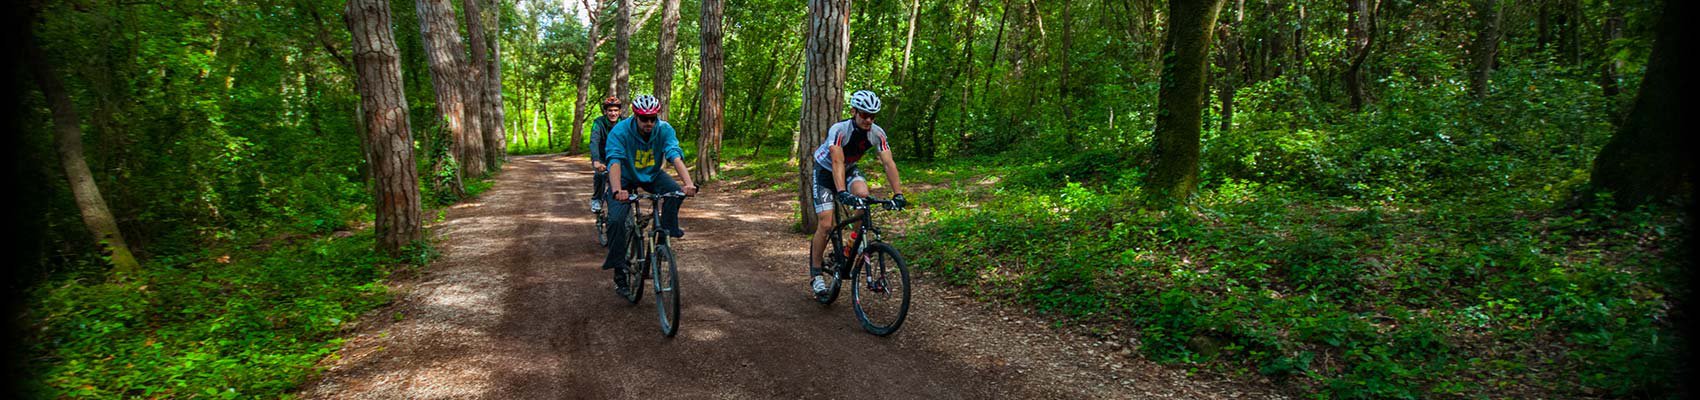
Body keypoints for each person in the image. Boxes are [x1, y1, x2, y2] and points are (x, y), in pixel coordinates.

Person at [807, 90, 907, 295]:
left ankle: (849, 246)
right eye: (864, 115)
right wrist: (841, 191)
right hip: (825, 172)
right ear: (854, 112)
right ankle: (816, 274)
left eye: (873, 116)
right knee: (826, 224)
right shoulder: (839, 129)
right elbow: (836, 161)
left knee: (863, 198)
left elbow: (888, 163)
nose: (869, 120)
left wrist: (898, 194)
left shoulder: (877, 133)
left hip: (850, 168)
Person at [603, 94, 699, 297]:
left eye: (652, 118)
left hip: (652, 175)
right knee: (616, 220)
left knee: (674, 193)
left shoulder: (664, 130)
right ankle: (619, 270)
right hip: (625, 178)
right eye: (644, 119)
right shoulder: (620, 131)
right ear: (635, 116)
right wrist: (617, 190)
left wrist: (688, 184)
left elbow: (674, 155)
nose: (649, 123)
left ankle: (665, 234)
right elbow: (614, 161)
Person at [588, 96, 623, 213]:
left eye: (615, 110)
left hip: (620, 157)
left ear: (620, 111)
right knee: (600, 175)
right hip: (603, 157)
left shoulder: (625, 123)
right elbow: (594, 142)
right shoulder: (598, 123)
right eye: (610, 110)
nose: (613, 113)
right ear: (605, 112)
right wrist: (596, 161)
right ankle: (597, 199)